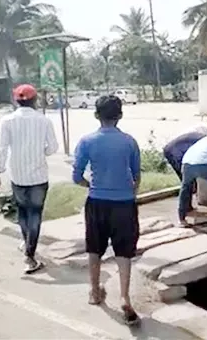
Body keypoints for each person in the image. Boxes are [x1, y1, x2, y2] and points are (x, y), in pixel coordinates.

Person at [72, 95, 141, 325]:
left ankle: (94, 291)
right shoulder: (130, 142)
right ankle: (124, 296)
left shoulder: (87, 141)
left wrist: (89, 185)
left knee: (94, 247)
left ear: (96, 115)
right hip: (124, 203)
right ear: (120, 116)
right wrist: (130, 193)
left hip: (97, 201)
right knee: (124, 252)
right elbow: (136, 176)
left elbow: (76, 176)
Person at [0, 84, 59, 274]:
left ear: (16, 100)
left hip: (17, 176)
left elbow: (1, 148)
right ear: (35, 100)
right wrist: (41, 152)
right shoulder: (44, 121)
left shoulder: (7, 121)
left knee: (23, 212)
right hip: (38, 177)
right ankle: (30, 255)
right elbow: (53, 147)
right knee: (35, 214)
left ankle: (27, 244)